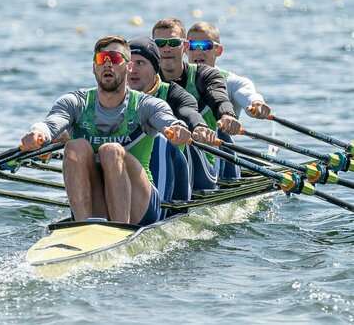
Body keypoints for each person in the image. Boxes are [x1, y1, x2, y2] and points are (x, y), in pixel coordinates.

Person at [20, 35, 192, 225]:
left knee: (111, 151)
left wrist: (178, 129)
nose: (108, 64)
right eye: (102, 59)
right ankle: (84, 226)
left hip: (140, 205)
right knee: (75, 147)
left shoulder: (146, 105)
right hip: (97, 199)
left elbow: (167, 120)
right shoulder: (75, 102)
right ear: (94, 67)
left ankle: (120, 230)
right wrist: (38, 132)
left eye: (116, 59)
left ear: (129, 67)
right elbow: (51, 123)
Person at [151, 18, 240, 136]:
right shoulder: (145, 79)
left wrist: (227, 114)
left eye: (174, 43)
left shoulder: (206, 75)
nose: (167, 49)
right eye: (160, 43)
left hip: (206, 148)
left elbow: (218, 97)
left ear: (186, 46)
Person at [127, 36, 216, 144]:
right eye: (129, 64)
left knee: (161, 139)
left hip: (172, 154)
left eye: (140, 63)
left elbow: (188, 112)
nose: (133, 70)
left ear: (155, 68)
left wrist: (198, 126)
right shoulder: (112, 95)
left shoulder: (175, 94)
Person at [186, 22, 271, 119]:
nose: (198, 51)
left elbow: (245, 93)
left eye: (206, 46)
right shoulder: (174, 79)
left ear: (218, 50)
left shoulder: (232, 82)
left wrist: (255, 102)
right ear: (185, 49)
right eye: (192, 45)